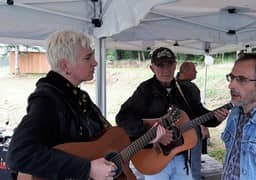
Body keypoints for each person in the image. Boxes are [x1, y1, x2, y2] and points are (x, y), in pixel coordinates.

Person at [6, 30, 166, 180]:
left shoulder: (80, 97)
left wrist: (148, 139)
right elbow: (18, 154)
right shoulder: (47, 99)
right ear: (65, 66)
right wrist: (86, 169)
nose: (95, 63)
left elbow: (108, 143)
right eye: (88, 58)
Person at [116, 47, 229, 180]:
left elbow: (199, 114)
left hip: (180, 156)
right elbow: (123, 118)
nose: (166, 70)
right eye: (160, 65)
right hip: (153, 156)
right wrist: (154, 133)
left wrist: (216, 118)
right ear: (152, 68)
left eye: (170, 65)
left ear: (175, 66)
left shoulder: (185, 90)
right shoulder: (145, 90)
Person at [176, 61, 211, 179]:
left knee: (179, 158)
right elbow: (197, 111)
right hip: (191, 128)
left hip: (175, 130)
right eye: (194, 69)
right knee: (195, 158)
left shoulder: (171, 85)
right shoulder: (191, 87)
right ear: (185, 71)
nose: (196, 72)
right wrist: (206, 124)